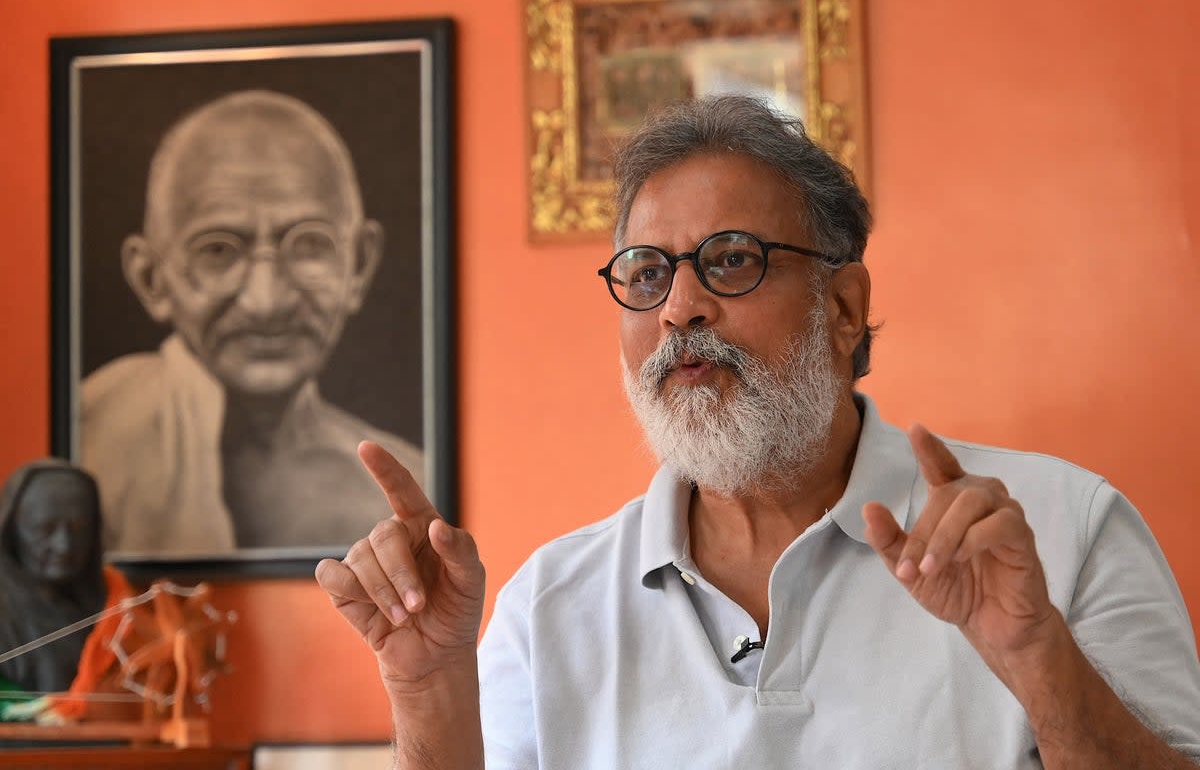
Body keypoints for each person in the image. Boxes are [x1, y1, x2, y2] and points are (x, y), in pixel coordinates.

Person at [316, 96, 1200, 768]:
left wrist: (1038, 659)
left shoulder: (1062, 528)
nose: (679, 309)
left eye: (730, 259)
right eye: (647, 272)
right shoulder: (550, 607)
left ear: (845, 307)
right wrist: (429, 693)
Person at [81, 90, 424, 555]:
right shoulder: (98, 437)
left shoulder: (409, 484)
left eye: (308, 245)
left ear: (359, 265)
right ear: (150, 277)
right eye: (218, 250)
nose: (268, 302)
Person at [0, 460, 106, 700]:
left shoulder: (115, 609)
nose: (64, 546)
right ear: (13, 531)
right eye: (45, 530)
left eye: (79, 529)